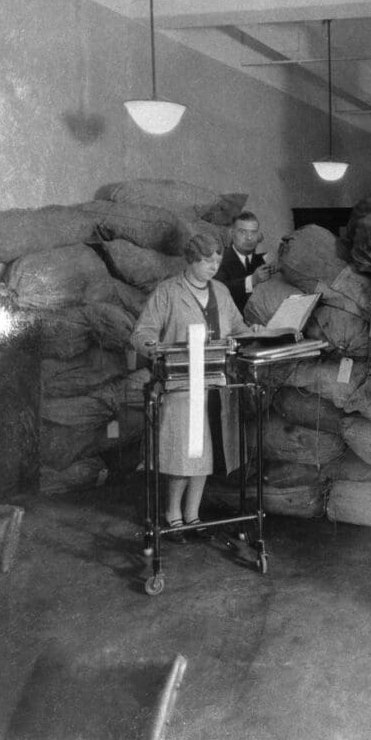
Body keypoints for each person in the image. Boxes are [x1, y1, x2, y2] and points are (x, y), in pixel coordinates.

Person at [131, 233, 253, 543]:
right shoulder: (168, 292)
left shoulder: (222, 292)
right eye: (206, 261)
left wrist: (254, 332)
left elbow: (237, 327)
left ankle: (193, 515)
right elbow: (142, 333)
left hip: (216, 383)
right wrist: (154, 348)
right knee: (184, 455)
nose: (213, 266)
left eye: (217, 261)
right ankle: (172, 515)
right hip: (182, 386)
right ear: (191, 260)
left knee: (206, 455)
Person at [214, 211, 275, 312]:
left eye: (253, 232)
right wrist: (251, 281)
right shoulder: (219, 261)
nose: (249, 238)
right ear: (232, 234)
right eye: (243, 232)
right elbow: (218, 291)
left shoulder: (263, 260)